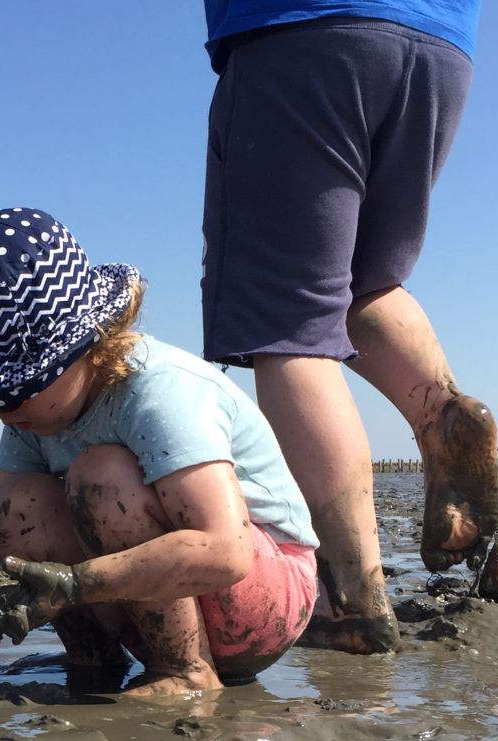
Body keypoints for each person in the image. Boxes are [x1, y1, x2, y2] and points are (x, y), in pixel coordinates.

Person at [0, 208, 318, 697]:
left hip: (264, 602)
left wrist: (76, 584)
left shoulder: (160, 391)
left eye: (9, 392)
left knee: (103, 478)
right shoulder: (32, 414)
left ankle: (186, 671)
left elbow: (227, 550)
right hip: (145, 604)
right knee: (21, 504)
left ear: (82, 344)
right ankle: (94, 658)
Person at [200, 2, 498, 652]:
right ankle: (443, 419)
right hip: (443, 46)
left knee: (288, 328)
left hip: (301, 32)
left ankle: (349, 602)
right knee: (367, 287)